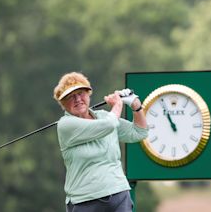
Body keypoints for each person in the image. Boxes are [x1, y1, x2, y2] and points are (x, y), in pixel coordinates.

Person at [53, 72, 148, 212]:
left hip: (119, 195)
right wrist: (117, 105)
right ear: (63, 103)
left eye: (81, 93)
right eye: (71, 96)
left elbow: (139, 132)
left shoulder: (104, 116)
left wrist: (136, 105)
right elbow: (108, 125)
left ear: (88, 94)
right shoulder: (66, 125)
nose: (78, 99)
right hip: (85, 201)